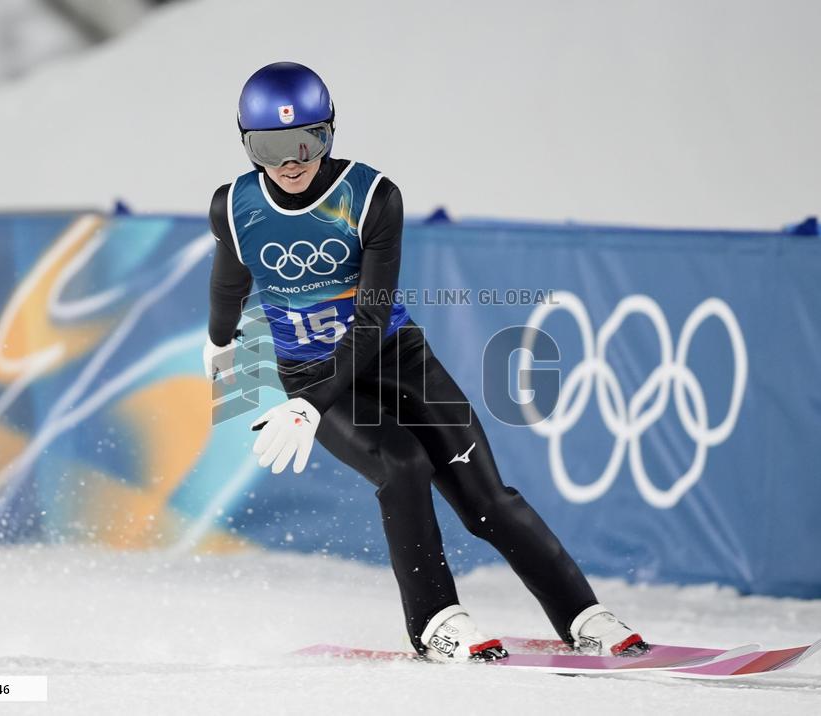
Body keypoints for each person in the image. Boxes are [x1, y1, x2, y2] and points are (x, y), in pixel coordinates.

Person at [204, 62, 647, 662]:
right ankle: (435, 622)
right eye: (270, 147)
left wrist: (308, 407)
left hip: (395, 359)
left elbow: (369, 320)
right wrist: (220, 340)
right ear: (246, 145)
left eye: (307, 141)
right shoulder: (234, 206)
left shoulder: (372, 197)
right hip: (315, 374)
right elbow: (231, 280)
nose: (290, 162)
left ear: (330, 132)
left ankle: (584, 615)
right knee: (402, 463)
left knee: (487, 500)